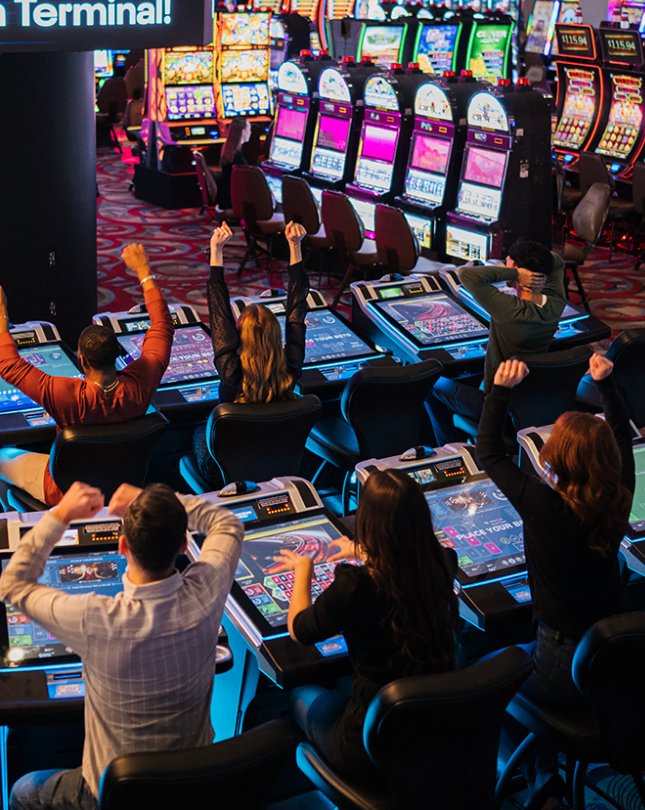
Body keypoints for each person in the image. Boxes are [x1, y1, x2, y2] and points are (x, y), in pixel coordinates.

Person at [0, 479, 244, 810]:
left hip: (114, 794)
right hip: (191, 784)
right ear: (184, 545)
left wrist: (60, 516)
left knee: (23, 790)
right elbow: (227, 522)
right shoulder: (208, 590)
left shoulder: (94, 619)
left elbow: (11, 585)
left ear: (123, 546)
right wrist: (157, 502)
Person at [477, 355, 634, 809]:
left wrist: (499, 390)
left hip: (563, 663)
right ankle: (546, 773)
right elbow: (622, 437)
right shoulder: (618, 497)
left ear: (553, 459)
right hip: (614, 664)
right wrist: (607, 386)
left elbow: (487, 450)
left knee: (483, 683)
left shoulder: (543, 505)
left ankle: (538, 777)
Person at [272, 469, 459, 784]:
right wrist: (363, 551)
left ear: (366, 522)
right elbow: (402, 562)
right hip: (435, 727)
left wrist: (303, 568)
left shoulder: (354, 585)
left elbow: (300, 629)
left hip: (368, 743)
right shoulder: (443, 562)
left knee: (299, 694)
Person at [0, 244, 174, 509]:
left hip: (64, 493)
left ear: (80, 360)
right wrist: (144, 271)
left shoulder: (65, 394)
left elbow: (7, 365)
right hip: (124, 489)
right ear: (118, 353)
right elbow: (163, 325)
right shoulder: (142, 381)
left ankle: (28, 528)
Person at [192, 219, 308, 485]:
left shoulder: (232, 372)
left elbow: (218, 312)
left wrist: (216, 251)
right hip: (280, 462)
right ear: (276, 335)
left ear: (238, 337)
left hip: (230, 473)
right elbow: (297, 311)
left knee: (199, 432)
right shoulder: (291, 366)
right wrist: (294, 246)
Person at [425, 239, 566, 447]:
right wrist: (529, 266)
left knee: (431, 383)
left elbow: (466, 274)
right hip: (528, 398)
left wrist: (515, 273)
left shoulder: (511, 310)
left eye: (507, 263)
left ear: (519, 271)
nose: (504, 265)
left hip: (495, 401)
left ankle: (451, 452)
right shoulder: (555, 302)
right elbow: (557, 261)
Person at [216, 117, 251, 211]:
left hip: (225, 197)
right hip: (233, 201)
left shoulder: (228, 148)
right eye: (249, 129)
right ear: (243, 132)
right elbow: (246, 182)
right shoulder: (237, 155)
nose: (250, 133)